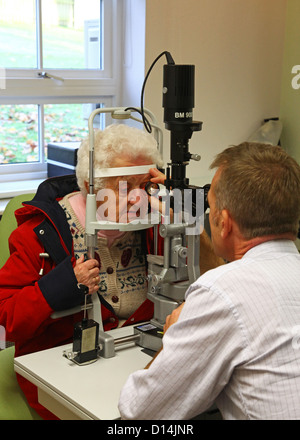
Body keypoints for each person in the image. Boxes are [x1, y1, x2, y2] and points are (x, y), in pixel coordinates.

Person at [0, 123, 222, 419]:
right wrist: (62, 285)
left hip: (138, 359)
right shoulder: (39, 233)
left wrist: (185, 216)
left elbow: (215, 280)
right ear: (91, 186)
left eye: (145, 186)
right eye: (125, 186)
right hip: (66, 369)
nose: (137, 198)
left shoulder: (154, 222)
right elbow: (6, 320)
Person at [118, 142, 300, 420]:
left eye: (210, 205)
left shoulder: (221, 292)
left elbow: (140, 410)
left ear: (224, 222)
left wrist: (175, 338)